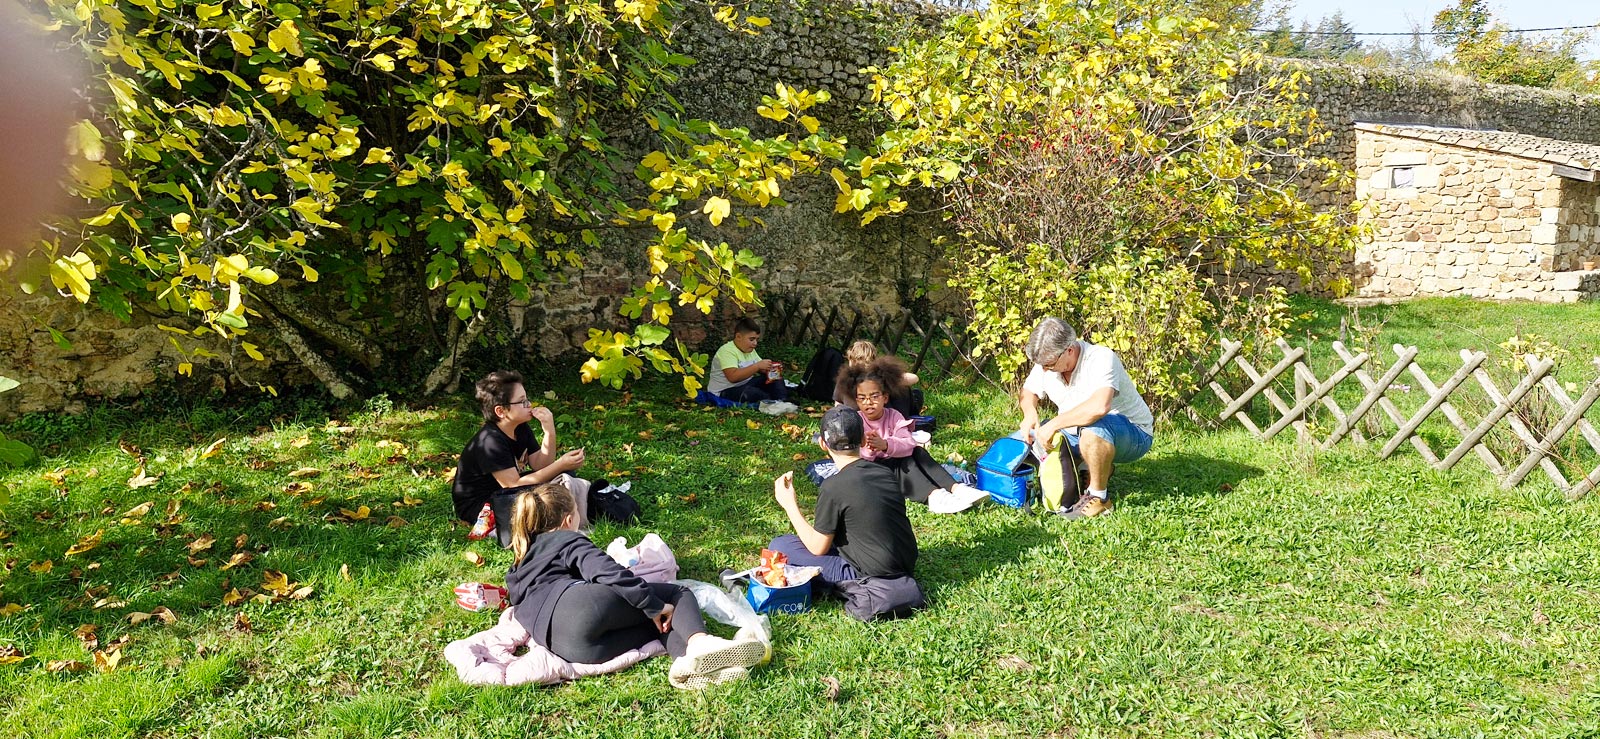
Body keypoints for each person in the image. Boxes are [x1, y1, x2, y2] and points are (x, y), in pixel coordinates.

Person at [503, 483, 769, 689]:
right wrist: (652, 604)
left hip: (573, 648)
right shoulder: (565, 539)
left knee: (656, 626)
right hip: (577, 608)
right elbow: (607, 572)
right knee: (676, 595)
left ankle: (686, 665)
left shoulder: (519, 564)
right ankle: (702, 643)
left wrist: (650, 613)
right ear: (567, 521)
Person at [1018, 318, 1155, 520]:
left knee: (1093, 428)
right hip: (1080, 431)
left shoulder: (1101, 358)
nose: (1045, 369)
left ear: (1069, 351)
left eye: (1049, 364)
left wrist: (1054, 424)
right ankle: (1087, 469)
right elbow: (1028, 391)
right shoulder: (1048, 361)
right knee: (1030, 437)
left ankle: (1099, 498)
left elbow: (1099, 407)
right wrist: (1029, 412)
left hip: (1133, 434)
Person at [768, 406, 918, 588]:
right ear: (863, 440)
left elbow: (817, 547)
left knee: (781, 545)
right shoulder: (885, 473)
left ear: (823, 444)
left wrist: (789, 504)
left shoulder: (833, 486)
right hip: (906, 562)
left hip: (868, 573)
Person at [452, 370, 588, 545]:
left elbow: (541, 464)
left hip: (506, 491)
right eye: (522, 401)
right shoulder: (490, 441)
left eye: (527, 399)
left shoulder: (520, 427)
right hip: (482, 506)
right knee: (554, 490)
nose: (529, 404)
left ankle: (566, 520)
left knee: (563, 479)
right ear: (501, 411)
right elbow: (512, 485)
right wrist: (560, 464)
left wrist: (549, 430)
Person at [842, 362, 987, 513]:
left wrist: (885, 444)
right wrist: (870, 448)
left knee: (918, 452)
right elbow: (854, 458)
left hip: (895, 459)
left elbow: (908, 444)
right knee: (905, 465)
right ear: (857, 401)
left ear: (885, 398)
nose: (868, 402)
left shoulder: (894, 416)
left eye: (874, 396)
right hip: (874, 472)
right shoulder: (856, 421)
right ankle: (934, 496)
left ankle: (956, 488)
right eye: (862, 398)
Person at [705, 317, 789, 404]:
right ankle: (772, 402)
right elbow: (733, 377)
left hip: (745, 384)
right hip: (725, 390)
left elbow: (761, 369)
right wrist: (757, 366)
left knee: (775, 378)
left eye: (756, 339)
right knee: (753, 393)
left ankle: (782, 400)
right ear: (738, 337)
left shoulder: (750, 349)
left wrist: (772, 368)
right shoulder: (726, 351)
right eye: (751, 339)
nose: (755, 343)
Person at [832, 340, 921, 417]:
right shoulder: (879, 377)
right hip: (883, 419)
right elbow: (914, 378)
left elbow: (838, 403)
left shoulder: (845, 380)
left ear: (851, 361)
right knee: (906, 389)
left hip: (854, 420)